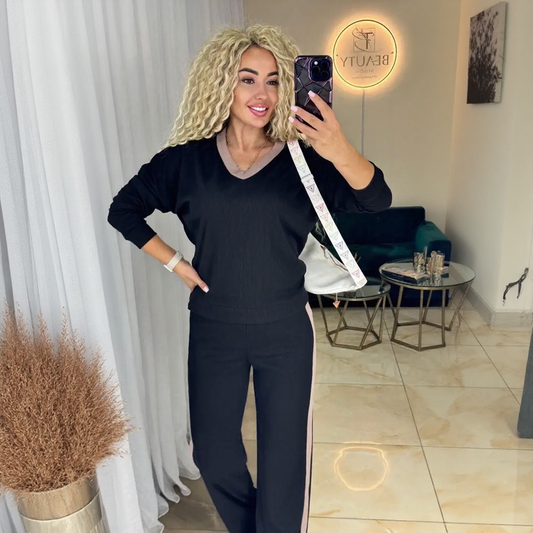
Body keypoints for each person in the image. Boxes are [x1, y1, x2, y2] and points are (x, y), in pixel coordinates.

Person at [108, 24, 392, 533]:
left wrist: (338, 147)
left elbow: (376, 199)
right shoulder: (187, 162)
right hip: (213, 326)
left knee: (284, 462)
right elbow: (123, 209)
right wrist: (176, 263)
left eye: (274, 80)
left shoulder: (302, 160)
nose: (262, 93)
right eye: (247, 79)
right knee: (213, 454)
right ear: (222, 82)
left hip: (285, 329)